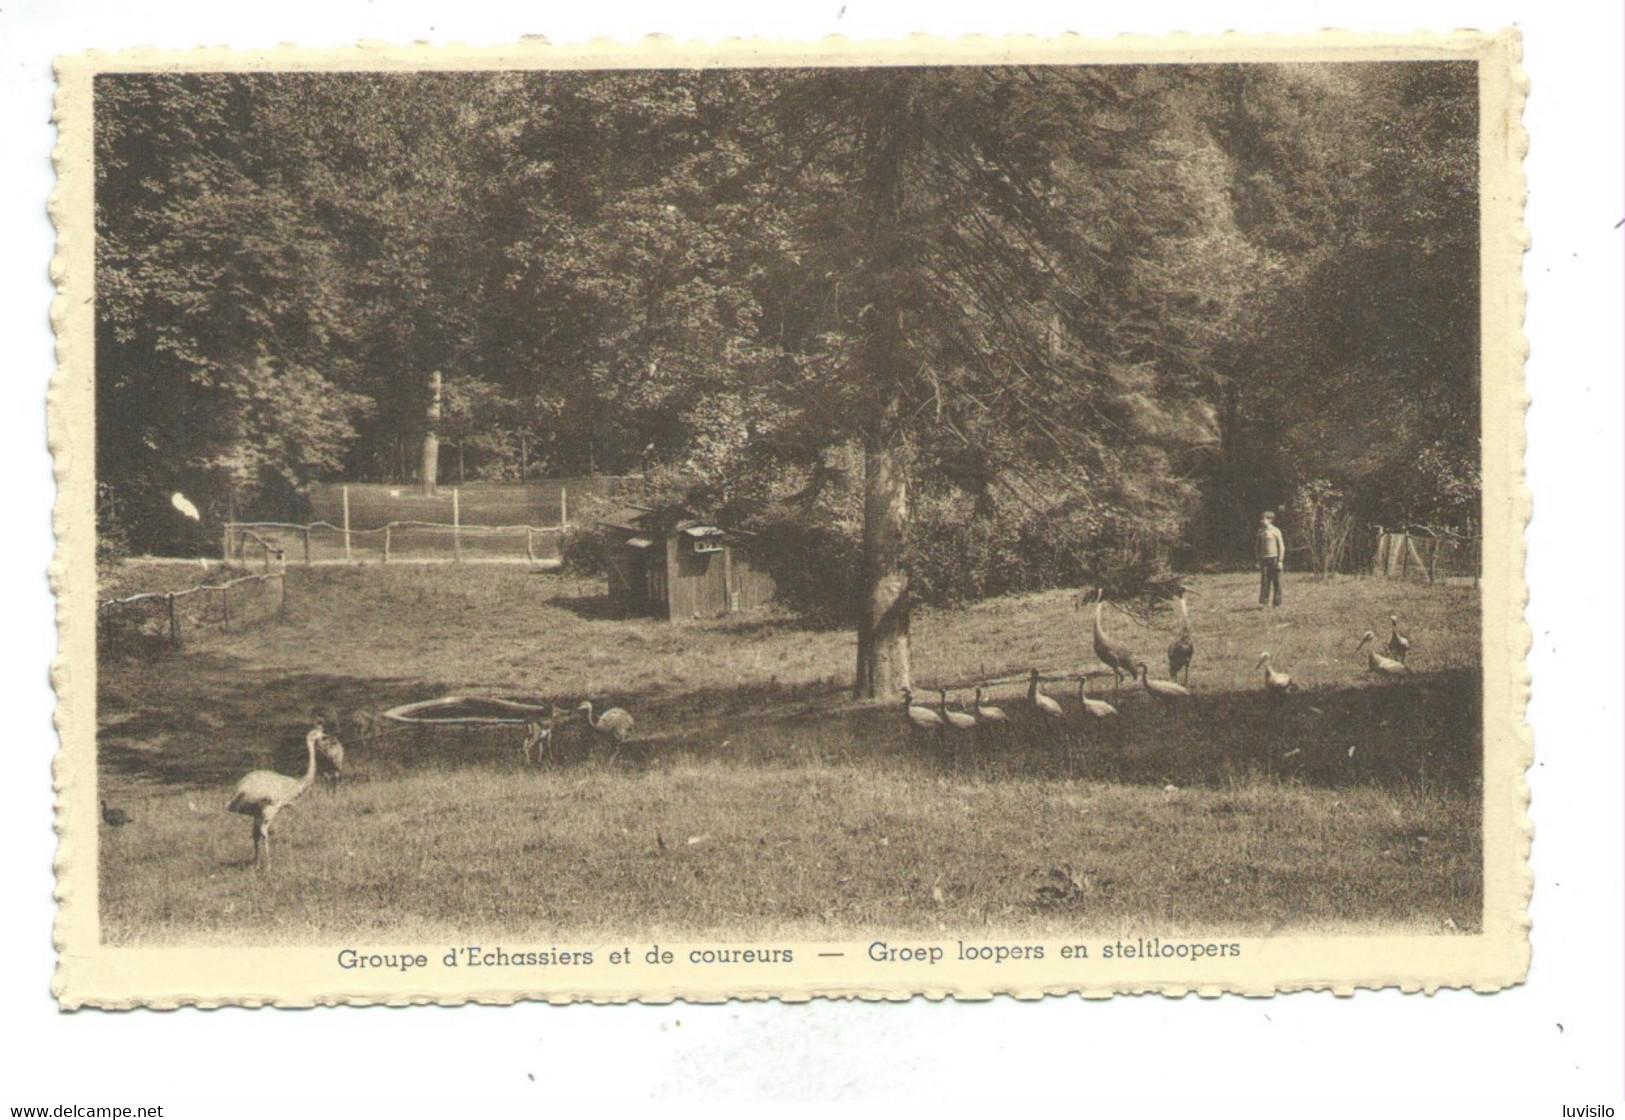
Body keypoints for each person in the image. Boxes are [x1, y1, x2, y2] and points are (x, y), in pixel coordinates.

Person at [1256, 510, 1286, 608]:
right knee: (1265, 581)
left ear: (1270, 520)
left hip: (1275, 559)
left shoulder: (1276, 531)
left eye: (1264, 519)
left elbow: (1281, 546)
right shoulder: (1260, 532)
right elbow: (1257, 547)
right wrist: (1258, 560)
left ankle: (1277, 603)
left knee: (1277, 581)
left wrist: (1280, 561)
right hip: (1264, 559)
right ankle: (1265, 603)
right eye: (1261, 519)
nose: (1261, 521)